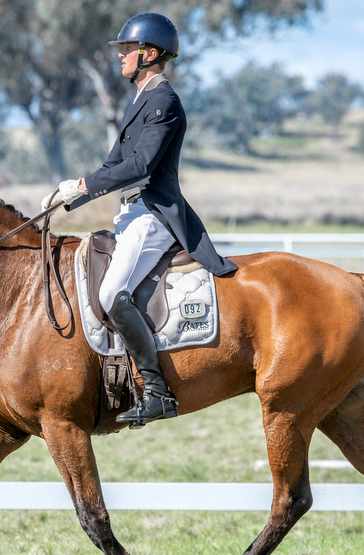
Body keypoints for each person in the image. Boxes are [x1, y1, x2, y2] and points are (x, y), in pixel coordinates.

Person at [42, 12, 237, 426]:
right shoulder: (139, 101)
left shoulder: (164, 101)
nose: (121, 57)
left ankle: (157, 390)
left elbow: (140, 165)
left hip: (153, 215)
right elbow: (114, 164)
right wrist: (67, 196)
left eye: (127, 49)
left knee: (113, 294)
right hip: (130, 214)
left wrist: (80, 184)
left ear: (149, 54)